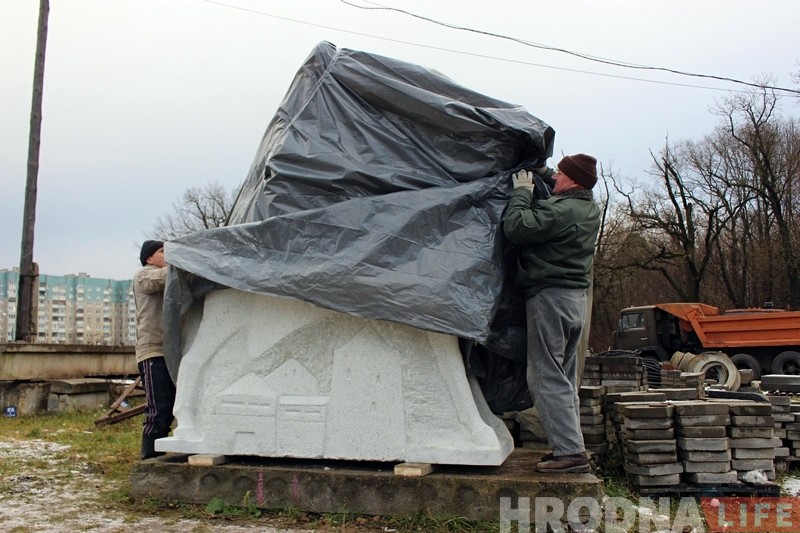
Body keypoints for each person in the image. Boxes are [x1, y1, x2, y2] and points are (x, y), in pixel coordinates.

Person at [502, 154, 601, 473]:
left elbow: (516, 228)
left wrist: (521, 193)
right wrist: (538, 168)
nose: (555, 177)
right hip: (574, 302)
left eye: (560, 173)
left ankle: (569, 452)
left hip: (551, 299)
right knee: (564, 378)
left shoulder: (562, 211)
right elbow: (556, 183)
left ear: (572, 180)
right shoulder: (586, 208)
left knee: (545, 376)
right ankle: (573, 448)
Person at [134, 239, 176, 460]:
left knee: (171, 405)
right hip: (152, 351)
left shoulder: (170, 277)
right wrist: (185, 261)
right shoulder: (144, 275)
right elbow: (160, 279)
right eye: (162, 252)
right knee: (158, 405)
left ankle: (161, 449)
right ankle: (149, 455)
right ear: (149, 257)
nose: (167, 255)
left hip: (169, 351)